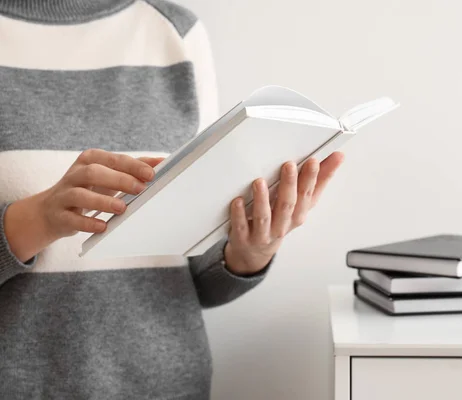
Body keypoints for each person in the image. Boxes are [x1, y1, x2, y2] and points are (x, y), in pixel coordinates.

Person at [0, 0, 344, 399]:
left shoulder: (175, 33)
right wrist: (36, 220)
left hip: (166, 388)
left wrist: (248, 255)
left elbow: (192, 279)